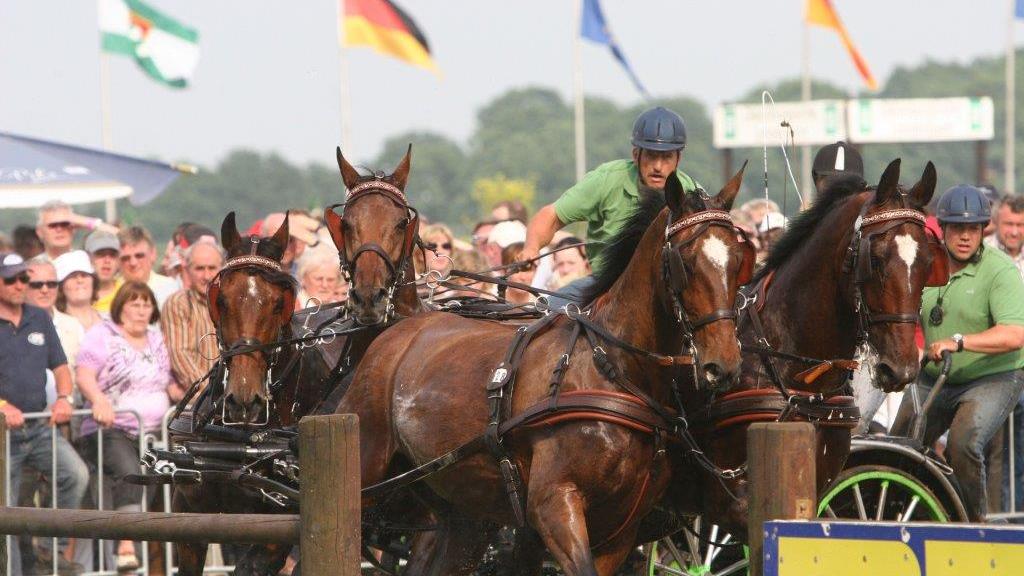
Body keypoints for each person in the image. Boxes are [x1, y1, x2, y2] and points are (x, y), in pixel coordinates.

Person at [891, 185, 1024, 522]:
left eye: (974, 229)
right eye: (958, 229)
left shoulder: (1001, 271)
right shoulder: (923, 263)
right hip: (935, 377)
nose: (966, 237)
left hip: (991, 377)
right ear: (943, 229)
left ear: (983, 230)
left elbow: (1015, 334)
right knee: (899, 445)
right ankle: (897, 518)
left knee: (963, 444)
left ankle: (972, 527)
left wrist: (959, 341)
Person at [521, 107, 701, 304]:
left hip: (667, 290)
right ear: (636, 154)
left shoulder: (692, 194)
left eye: (666, 157)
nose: (658, 166)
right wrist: (531, 247)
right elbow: (552, 216)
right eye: (651, 155)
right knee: (545, 311)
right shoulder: (606, 180)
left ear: (678, 160)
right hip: (604, 287)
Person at [0, 252, 89, 575]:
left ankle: (49, 554)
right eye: (11, 279)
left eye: (23, 278)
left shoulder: (39, 317)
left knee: (75, 475)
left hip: (38, 427)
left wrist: (64, 397)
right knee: (5, 509)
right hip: (2, 436)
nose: (19, 285)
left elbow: (62, 366)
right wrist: (2, 407)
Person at [76, 282, 174, 572]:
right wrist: (98, 400)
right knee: (131, 473)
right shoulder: (102, 335)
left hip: (154, 432)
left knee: (155, 484)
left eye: (146, 304)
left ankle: (146, 558)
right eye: (135, 304)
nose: (141, 310)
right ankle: (126, 546)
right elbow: (84, 374)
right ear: (120, 307)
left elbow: (166, 382)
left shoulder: (157, 339)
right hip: (111, 427)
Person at [984, 195, 1024, 512]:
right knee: (994, 448)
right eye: (1009, 223)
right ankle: (996, 516)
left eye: (1021, 225)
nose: (1014, 231)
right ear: (997, 222)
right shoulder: (983, 254)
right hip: (993, 366)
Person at [160, 242, 224, 401]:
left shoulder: (233, 303)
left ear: (222, 269)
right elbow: (180, 356)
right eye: (200, 268)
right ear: (187, 271)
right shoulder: (178, 303)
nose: (207, 276)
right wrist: (214, 392)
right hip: (200, 402)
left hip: (233, 398)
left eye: (212, 268)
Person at [34, 201, 118, 264]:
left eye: (64, 224)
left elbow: (123, 238)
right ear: (40, 232)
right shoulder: (34, 267)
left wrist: (83, 221)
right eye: (53, 225)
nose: (59, 229)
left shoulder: (85, 261)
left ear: (74, 227)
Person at [118, 226, 178, 309]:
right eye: (126, 258)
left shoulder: (171, 289)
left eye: (139, 256)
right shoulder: (111, 293)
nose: (133, 263)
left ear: (153, 254)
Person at [55, 250, 103, 332]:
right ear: (61, 286)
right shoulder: (54, 326)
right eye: (72, 276)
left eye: (84, 275)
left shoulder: (110, 321)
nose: (80, 280)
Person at [85, 230, 122, 315]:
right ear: (88, 257)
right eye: (100, 254)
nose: (107, 261)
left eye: (112, 255)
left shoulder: (126, 294)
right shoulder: (78, 294)